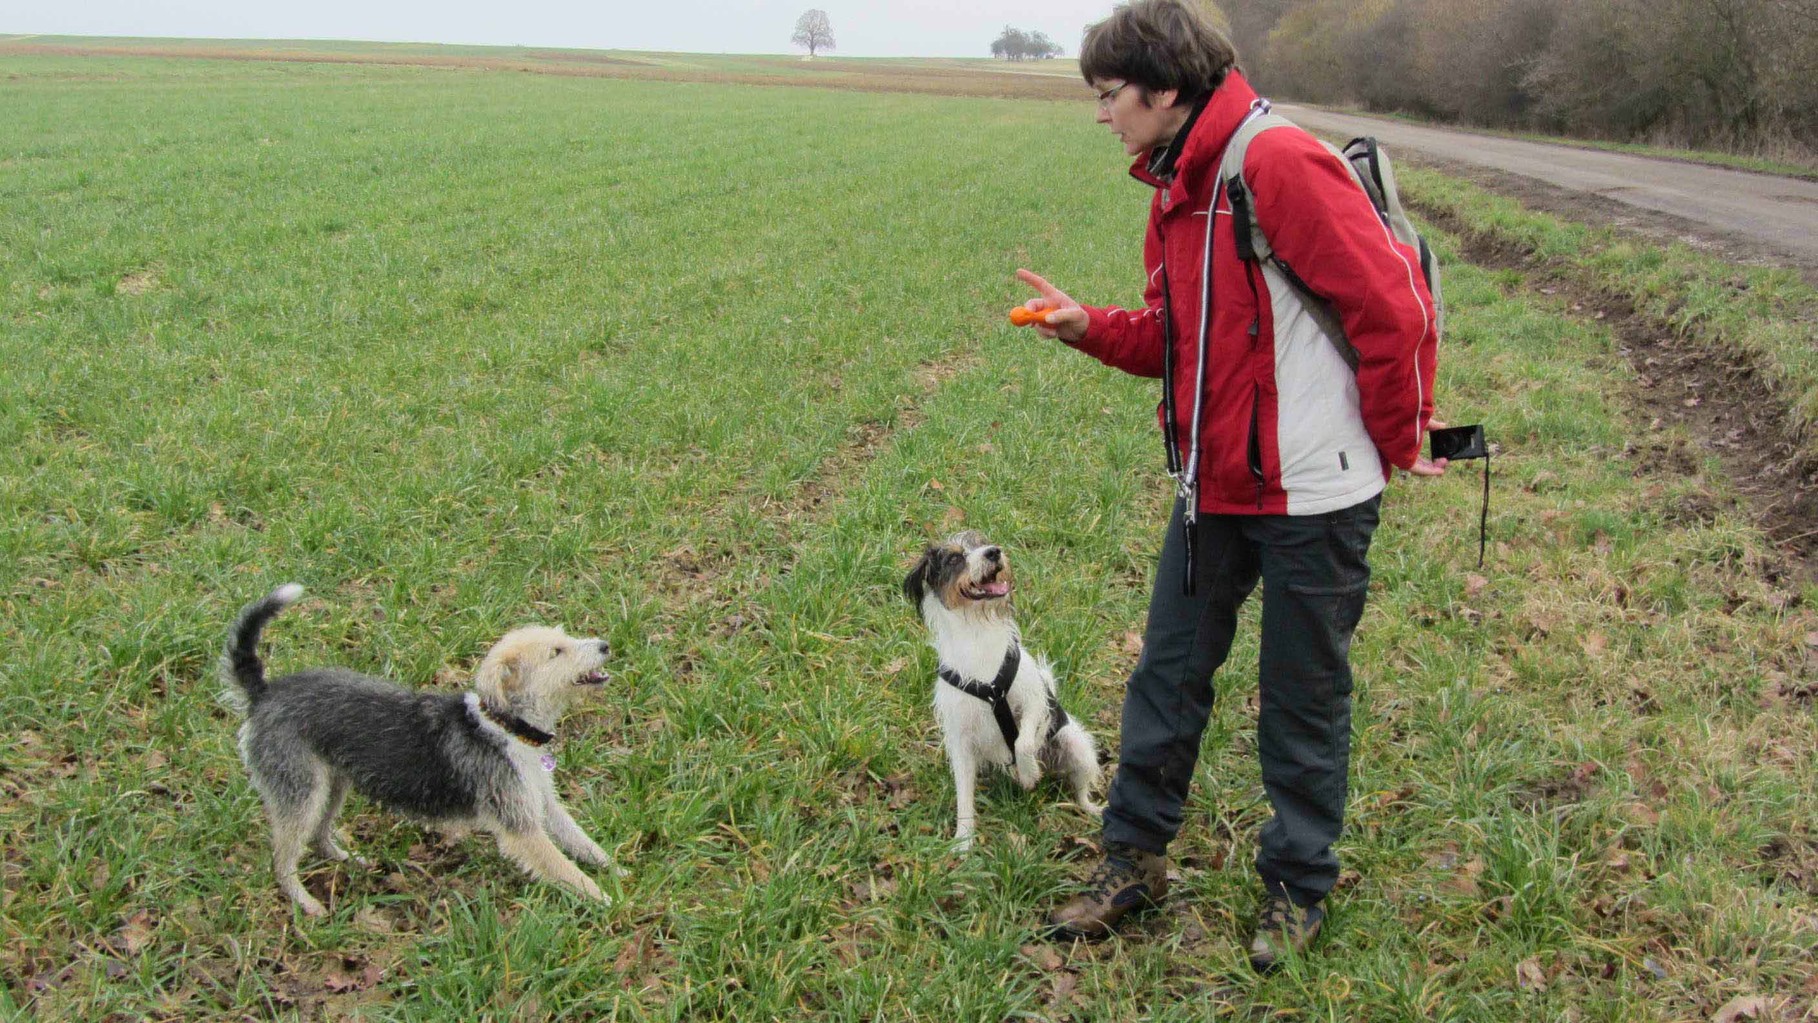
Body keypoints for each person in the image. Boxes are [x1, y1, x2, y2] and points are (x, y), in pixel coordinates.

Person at [1016, 0, 1446, 972]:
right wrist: (1090, 327)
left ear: (1164, 90)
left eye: (1108, 95)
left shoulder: (1277, 165)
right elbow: (1179, 342)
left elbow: (1392, 314)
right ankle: (1131, 862)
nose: (1101, 116)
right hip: (1216, 489)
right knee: (1165, 678)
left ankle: (1298, 888)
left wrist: (1389, 450)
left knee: (1300, 700)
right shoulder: (1178, 186)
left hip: (1317, 497)